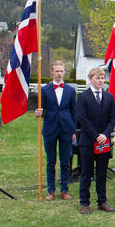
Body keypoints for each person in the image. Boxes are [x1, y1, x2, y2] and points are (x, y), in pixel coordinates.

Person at [77, 67, 115, 214]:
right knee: (86, 173)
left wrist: (105, 135)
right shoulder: (82, 97)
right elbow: (82, 118)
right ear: (90, 79)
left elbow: (113, 117)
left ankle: (102, 201)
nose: (100, 81)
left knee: (102, 173)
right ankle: (84, 203)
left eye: (102, 78)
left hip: (104, 141)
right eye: (97, 78)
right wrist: (95, 136)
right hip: (88, 141)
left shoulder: (109, 97)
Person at [34, 60, 76, 201]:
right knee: (51, 161)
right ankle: (51, 190)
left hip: (66, 128)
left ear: (64, 72)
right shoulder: (45, 90)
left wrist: (73, 131)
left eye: (61, 71)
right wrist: (40, 112)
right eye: (56, 71)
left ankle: (64, 189)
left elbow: (73, 111)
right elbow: (43, 108)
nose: (59, 73)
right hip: (50, 128)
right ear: (51, 72)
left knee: (65, 161)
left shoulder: (70, 90)